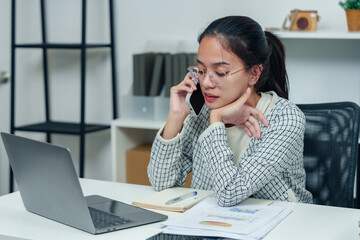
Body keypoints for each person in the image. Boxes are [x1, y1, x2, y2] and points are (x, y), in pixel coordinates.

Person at [147, 16, 313, 207]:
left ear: (254, 74)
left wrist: (216, 120)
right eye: (201, 70)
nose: (207, 83)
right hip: (213, 225)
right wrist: (176, 116)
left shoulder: (285, 118)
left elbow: (230, 193)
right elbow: (161, 182)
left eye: (220, 73)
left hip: (281, 227)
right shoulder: (201, 115)